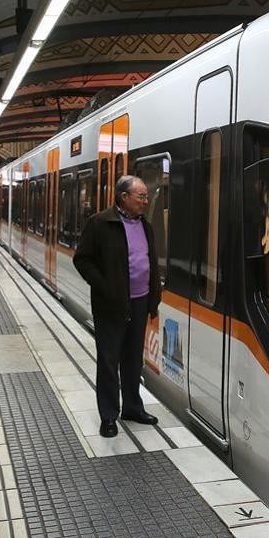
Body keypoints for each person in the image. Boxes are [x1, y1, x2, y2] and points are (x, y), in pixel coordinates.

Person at [72, 175, 161, 438]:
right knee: (109, 361)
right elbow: (82, 260)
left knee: (133, 359)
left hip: (140, 301)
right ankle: (109, 416)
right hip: (111, 305)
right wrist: (105, 287)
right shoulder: (100, 223)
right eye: (141, 196)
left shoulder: (146, 225)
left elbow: (150, 262)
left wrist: (154, 297)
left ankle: (133, 407)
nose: (146, 201)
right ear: (124, 197)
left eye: (146, 196)